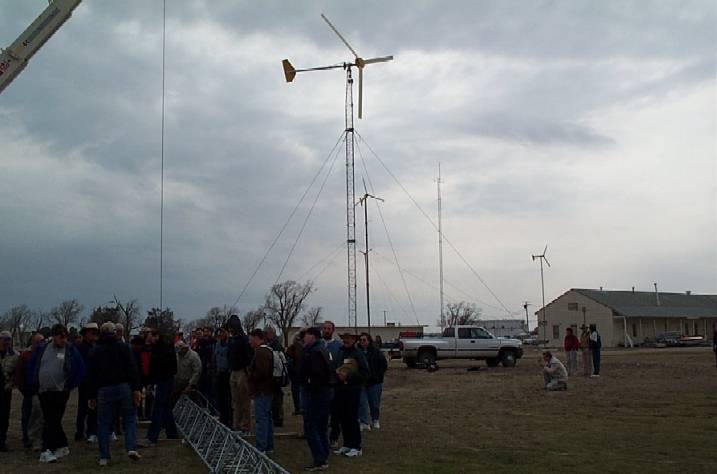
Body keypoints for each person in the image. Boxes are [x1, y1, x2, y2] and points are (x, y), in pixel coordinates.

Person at [28, 324, 85, 463]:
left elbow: (80, 368)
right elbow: (33, 365)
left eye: (65, 336)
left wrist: (70, 385)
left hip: (60, 391)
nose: (63, 339)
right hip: (43, 391)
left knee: (53, 421)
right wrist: (33, 384)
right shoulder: (43, 349)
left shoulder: (70, 350)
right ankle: (62, 445)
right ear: (54, 336)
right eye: (60, 336)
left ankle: (46, 449)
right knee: (51, 420)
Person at [87, 322, 142, 466]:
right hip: (124, 386)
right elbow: (132, 368)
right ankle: (131, 448)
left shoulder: (95, 350)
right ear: (114, 332)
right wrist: (136, 388)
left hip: (104, 389)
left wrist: (92, 395)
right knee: (129, 419)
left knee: (103, 423)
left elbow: (91, 375)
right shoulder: (124, 347)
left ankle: (104, 456)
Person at [300, 327, 333, 471]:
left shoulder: (314, 352)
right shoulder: (321, 349)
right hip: (323, 393)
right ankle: (324, 454)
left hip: (316, 394)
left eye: (305, 335)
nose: (304, 338)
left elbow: (317, 375)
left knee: (311, 426)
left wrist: (308, 383)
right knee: (321, 426)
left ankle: (320, 459)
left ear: (312, 336)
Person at [139, 329, 178, 447]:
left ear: (156, 336)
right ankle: (172, 433)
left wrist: (153, 380)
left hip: (163, 381)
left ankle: (152, 437)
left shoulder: (160, 349)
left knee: (158, 408)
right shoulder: (164, 347)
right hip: (166, 380)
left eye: (149, 336)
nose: (147, 339)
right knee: (166, 408)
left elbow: (157, 367)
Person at [333, 333, 368, 458]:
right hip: (340, 389)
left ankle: (356, 446)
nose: (346, 340)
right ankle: (347, 443)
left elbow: (365, 372)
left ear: (354, 339)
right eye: (344, 338)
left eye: (349, 338)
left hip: (353, 390)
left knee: (352, 418)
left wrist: (348, 377)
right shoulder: (340, 352)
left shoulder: (358, 353)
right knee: (343, 417)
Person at [15, 332, 45, 450]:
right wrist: (24, 389)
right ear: (32, 342)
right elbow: (19, 374)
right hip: (28, 391)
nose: (39, 344)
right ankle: (26, 436)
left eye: (41, 342)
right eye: (37, 342)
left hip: (41, 391)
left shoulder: (44, 355)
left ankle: (38, 437)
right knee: (27, 415)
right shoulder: (25, 356)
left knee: (39, 416)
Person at [248, 329, 274, 454]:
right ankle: (268, 446)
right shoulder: (268, 350)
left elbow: (262, 372)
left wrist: (251, 375)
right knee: (267, 418)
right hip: (267, 390)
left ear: (257, 338)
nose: (249, 342)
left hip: (262, 390)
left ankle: (261, 447)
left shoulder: (261, 352)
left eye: (251, 339)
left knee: (261, 419)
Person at [358, 333, 387, 431]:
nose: (362, 342)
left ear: (369, 341)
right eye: (361, 340)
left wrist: (378, 376)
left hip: (375, 383)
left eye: (364, 340)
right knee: (362, 403)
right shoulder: (357, 352)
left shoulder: (376, 352)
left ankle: (375, 419)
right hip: (362, 382)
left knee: (374, 403)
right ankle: (364, 422)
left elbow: (383, 365)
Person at [75, 322, 99, 443]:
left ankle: (91, 431)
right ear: (85, 333)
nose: (94, 334)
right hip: (85, 381)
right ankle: (80, 432)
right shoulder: (81, 347)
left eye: (95, 332)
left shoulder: (95, 346)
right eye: (91, 332)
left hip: (93, 381)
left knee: (92, 408)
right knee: (83, 408)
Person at [321, 321, 343, 448]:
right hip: (320, 384)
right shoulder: (318, 345)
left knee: (335, 413)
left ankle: (334, 437)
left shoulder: (338, 346)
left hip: (334, 384)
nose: (326, 330)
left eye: (329, 328)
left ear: (332, 330)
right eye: (324, 328)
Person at [229, 322, 253, 434]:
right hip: (233, 371)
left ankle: (246, 425)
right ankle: (236, 424)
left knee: (244, 400)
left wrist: (247, 371)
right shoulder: (232, 340)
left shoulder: (244, 339)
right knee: (235, 400)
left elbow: (249, 355)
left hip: (242, 372)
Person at [0, 331, 18, 451]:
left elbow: (17, 374)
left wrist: (10, 385)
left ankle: (2, 441)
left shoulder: (15, 355)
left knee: (4, 417)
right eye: (4, 339)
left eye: (8, 339)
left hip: (5, 390)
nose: (6, 342)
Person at [265, 326, 284, 428]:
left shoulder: (276, 346)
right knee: (276, 397)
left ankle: (278, 418)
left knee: (276, 398)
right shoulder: (273, 344)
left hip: (276, 375)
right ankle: (276, 417)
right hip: (274, 374)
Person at [212, 327, 232, 427]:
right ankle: (223, 417)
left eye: (223, 332)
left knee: (228, 398)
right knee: (220, 397)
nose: (221, 334)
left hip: (227, 373)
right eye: (220, 332)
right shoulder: (217, 345)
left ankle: (229, 419)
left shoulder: (230, 345)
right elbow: (215, 357)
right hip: (219, 373)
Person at [286, 331, 305, 415]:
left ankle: (298, 408)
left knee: (296, 391)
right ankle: (300, 407)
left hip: (295, 372)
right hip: (300, 372)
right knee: (300, 391)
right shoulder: (304, 347)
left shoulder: (293, 347)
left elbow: (288, 358)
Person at [195, 327, 215, 405]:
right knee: (201, 391)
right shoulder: (198, 344)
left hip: (209, 370)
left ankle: (212, 409)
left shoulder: (212, 342)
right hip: (200, 370)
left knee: (210, 392)